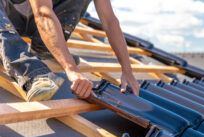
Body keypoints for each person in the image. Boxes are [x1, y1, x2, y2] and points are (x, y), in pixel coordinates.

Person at [0, 0, 140, 101]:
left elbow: (110, 21)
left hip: (33, 19)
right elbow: (42, 13)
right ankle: (32, 73)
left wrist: (127, 70)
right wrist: (71, 69)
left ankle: (45, 48)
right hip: (8, 15)